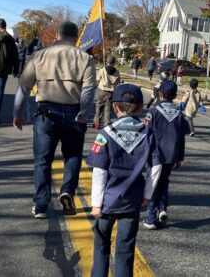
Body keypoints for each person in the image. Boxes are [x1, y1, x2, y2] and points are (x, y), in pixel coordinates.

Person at [13, 21, 97, 219]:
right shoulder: (85, 58)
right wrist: (83, 113)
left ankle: (41, 205)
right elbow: (88, 91)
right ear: (76, 38)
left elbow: (24, 87)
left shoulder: (39, 55)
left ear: (56, 37)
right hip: (74, 112)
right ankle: (67, 190)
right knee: (73, 155)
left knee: (42, 160)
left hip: (46, 113)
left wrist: (18, 112)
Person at [87, 84, 162, 277]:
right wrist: (147, 195)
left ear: (114, 107)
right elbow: (156, 166)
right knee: (125, 250)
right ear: (139, 108)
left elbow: (100, 171)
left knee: (101, 246)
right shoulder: (148, 134)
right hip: (132, 201)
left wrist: (96, 204)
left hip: (106, 203)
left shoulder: (105, 134)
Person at [143, 80, 190, 229]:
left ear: (160, 94)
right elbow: (182, 138)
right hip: (171, 155)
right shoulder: (179, 114)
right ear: (175, 95)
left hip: (155, 155)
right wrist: (180, 157)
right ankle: (163, 209)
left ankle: (150, 217)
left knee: (153, 184)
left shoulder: (153, 112)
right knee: (164, 182)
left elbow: (146, 135)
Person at [93, 55, 121, 129]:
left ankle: (97, 123)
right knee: (108, 108)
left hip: (102, 90)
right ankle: (107, 123)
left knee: (99, 106)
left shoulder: (102, 70)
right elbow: (118, 81)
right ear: (114, 62)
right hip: (111, 92)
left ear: (107, 61)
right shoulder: (117, 72)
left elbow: (97, 79)